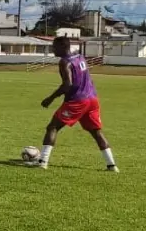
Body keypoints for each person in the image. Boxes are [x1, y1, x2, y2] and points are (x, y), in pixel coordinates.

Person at [27, 36, 118, 172]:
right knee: (96, 132)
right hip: (92, 99)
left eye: (54, 47)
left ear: (63, 47)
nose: (53, 50)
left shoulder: (64, 62)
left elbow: (67, 84)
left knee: (52, 127)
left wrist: (50, 98)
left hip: (77, 101)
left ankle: (42, 162)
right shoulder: (80, 57)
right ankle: (112, 165)